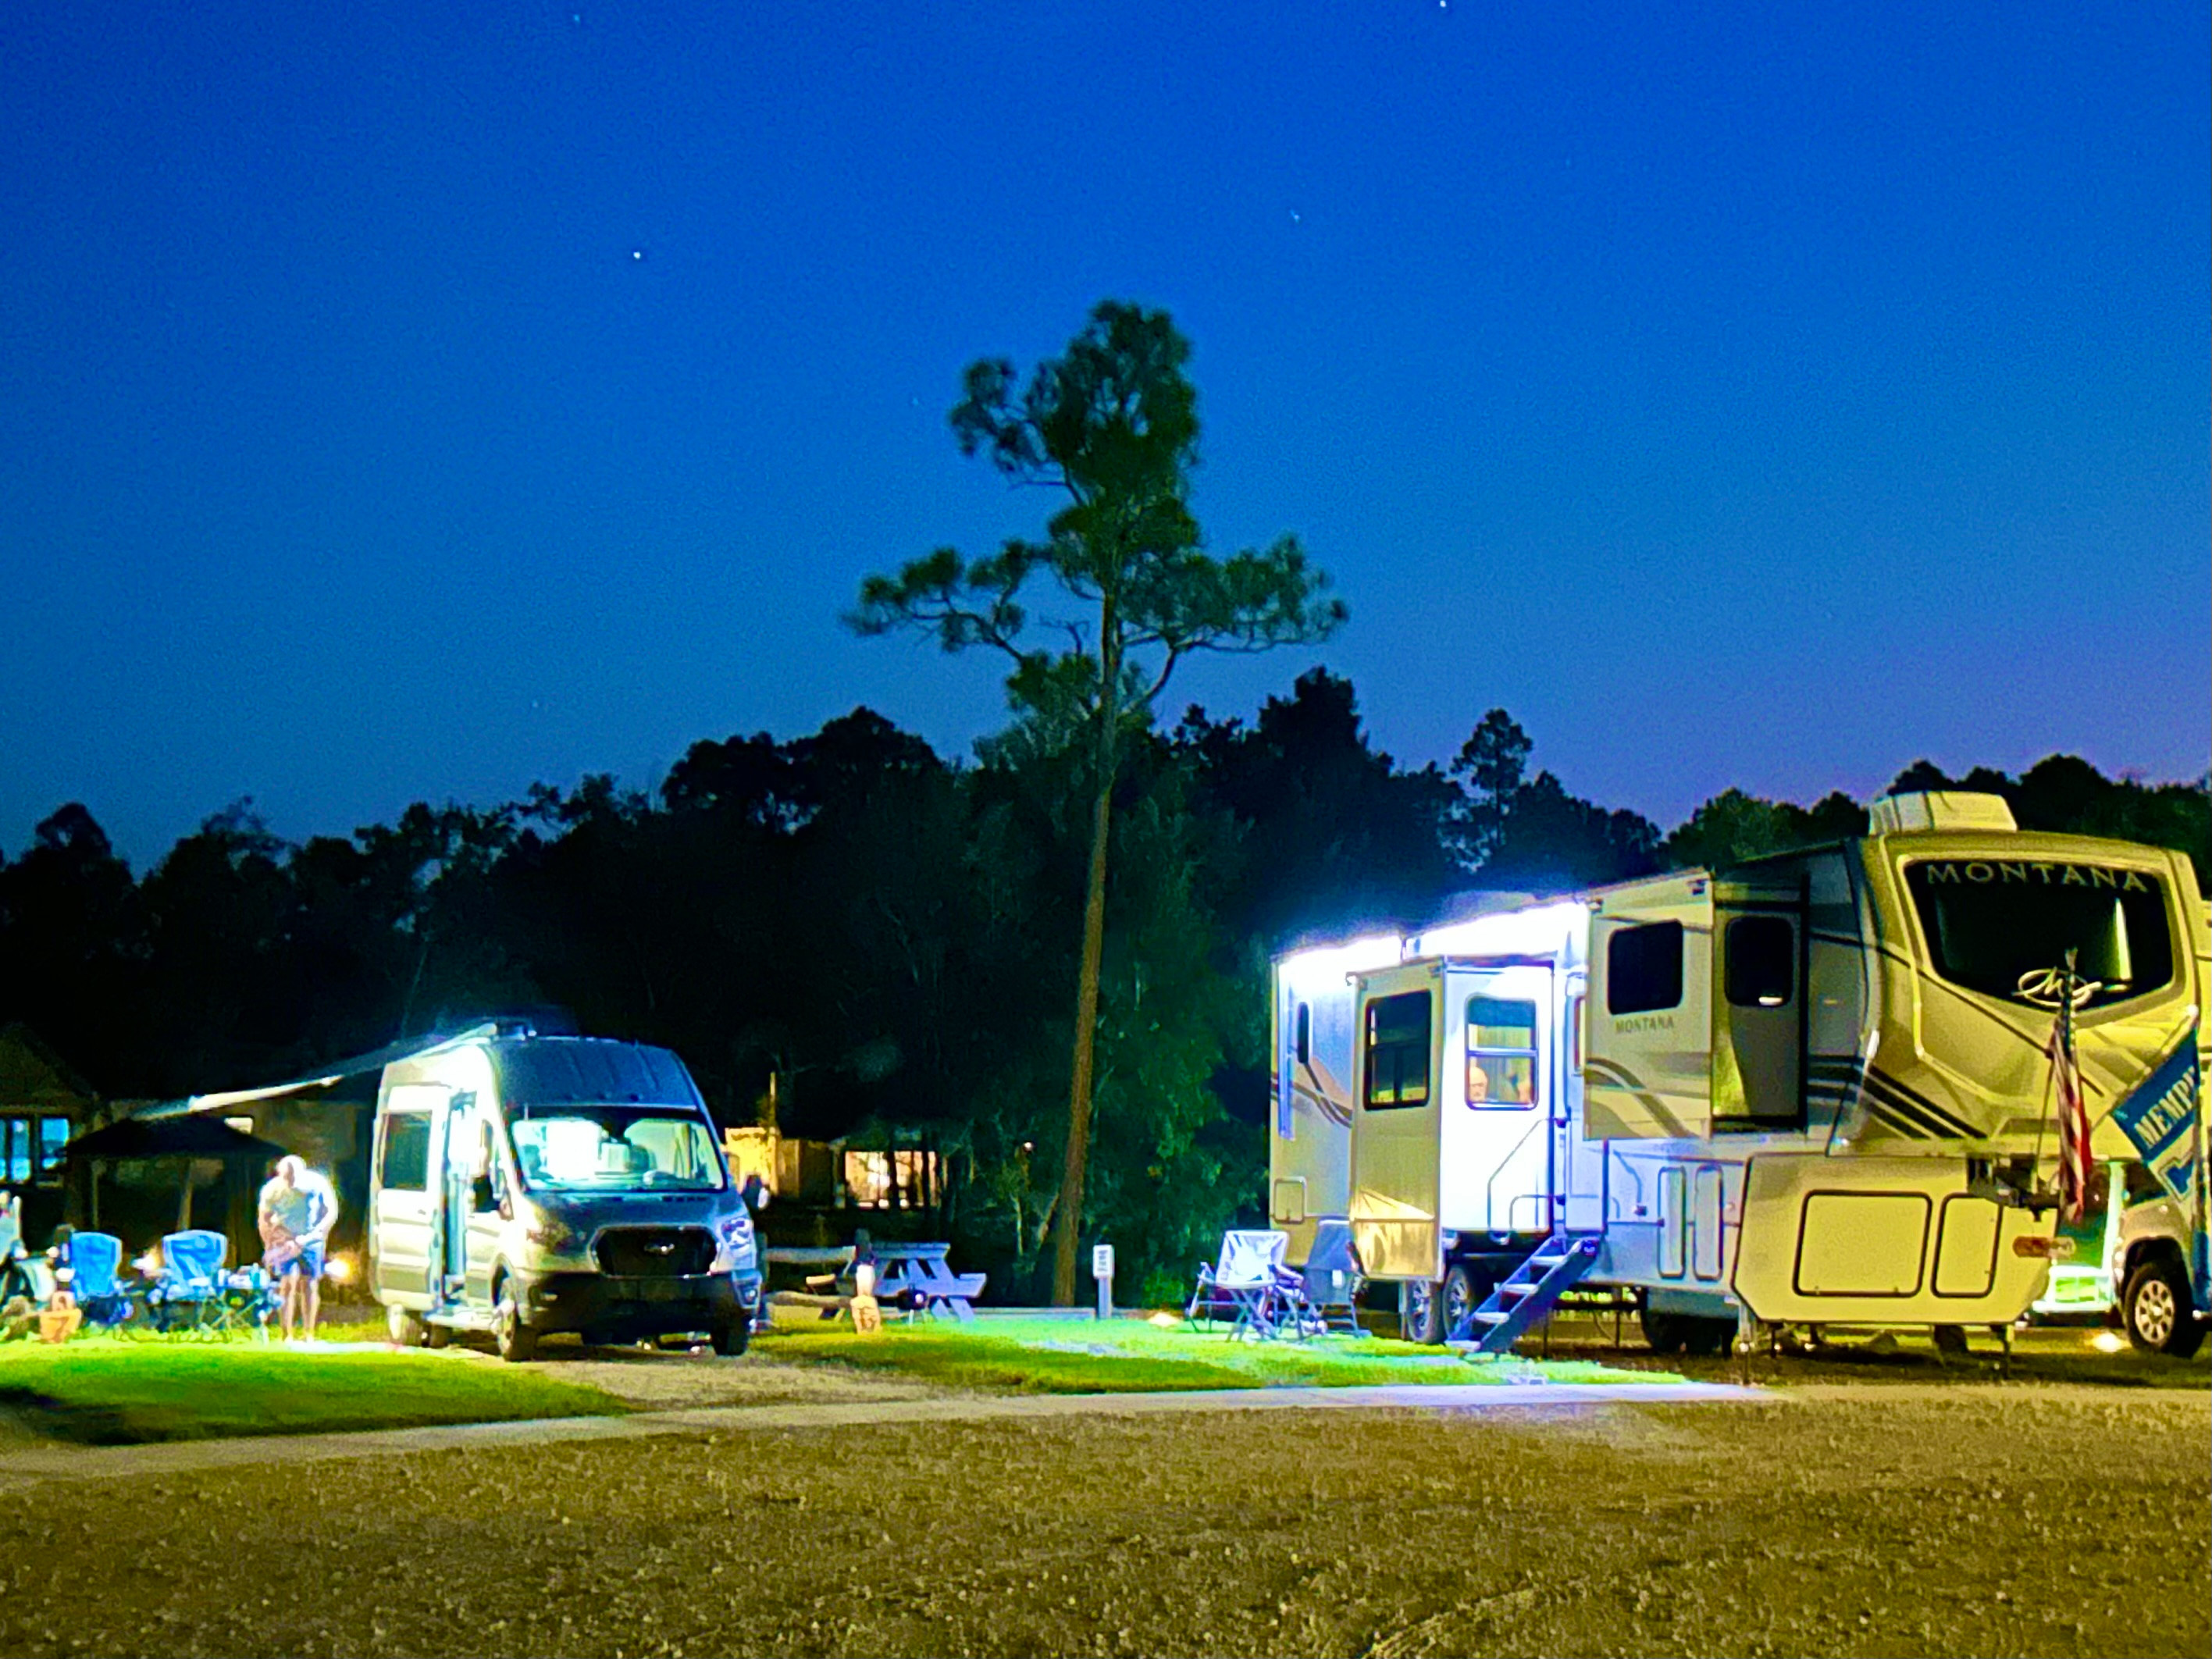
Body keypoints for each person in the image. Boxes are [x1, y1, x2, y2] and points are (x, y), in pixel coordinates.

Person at [258, 1155, 339, 1340]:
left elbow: (331, 1212)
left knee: (309, 1284)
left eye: (294, 1176)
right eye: (287, 1177)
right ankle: (286, 1334)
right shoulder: (272, 1189)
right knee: (286, 1283)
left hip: (311, 1239)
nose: (291, 1181)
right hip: (284, 1240)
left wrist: (317, 1233)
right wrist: (269, 1244)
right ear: (280, 1175)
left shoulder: (317, 1183)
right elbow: (264, 1218)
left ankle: (309, 1333)